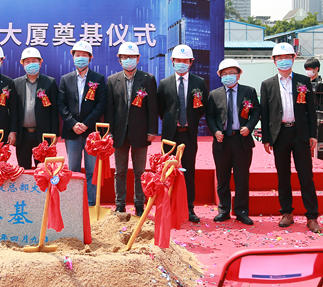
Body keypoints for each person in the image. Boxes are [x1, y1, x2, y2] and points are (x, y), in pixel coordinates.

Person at [261, 43, 320, 233]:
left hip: (300, 134)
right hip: (280, 135)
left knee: (306, 176)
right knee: (283, 176)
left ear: (294, 59)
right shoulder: (267, 84)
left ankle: (312, 216)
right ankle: (286, 212)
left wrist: (313, 135)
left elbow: (311, 110)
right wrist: (266, 139)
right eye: (279, 58)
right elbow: (265, 113)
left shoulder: (303, 81)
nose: (283, 61)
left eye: (287, 57)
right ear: (274, 61)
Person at [105, 42, 157, 216]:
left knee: (139, 172)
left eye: (132, 57)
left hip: (140, 133)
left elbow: (152, 107)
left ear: (138, 58)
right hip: (119, 134)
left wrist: (152, 130)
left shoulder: (147, 79)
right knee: (120, 171)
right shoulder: (112, 80)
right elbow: (109, 109)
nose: (128, 60)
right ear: (119, 59)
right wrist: (109, 132)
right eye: (125, 57)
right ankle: (120, 204)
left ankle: (139, 205)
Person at [205, 59, 260, 225]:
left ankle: (241, 211)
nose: (228, 76)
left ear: (239, 74)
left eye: (232, 73)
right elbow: (210, 116)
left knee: (242, 178)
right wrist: (215, 131)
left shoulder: (249, 91)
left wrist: (249, 127)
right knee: (222, 178)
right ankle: (224, 210)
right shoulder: (214, 94)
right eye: (225, 74)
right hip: (222, 141)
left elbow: (256, 112)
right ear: (220, 76)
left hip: (241, 140)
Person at [157, 44, 208, 223]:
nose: (181, 63)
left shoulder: (199, 83)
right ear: (172, 61)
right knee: (168, 171)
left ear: (191, 62)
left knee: (189, 171)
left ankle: (189, 208)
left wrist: (189, 120)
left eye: (185, 61)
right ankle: (168, 206)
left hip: (189, 134)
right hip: (170, 136)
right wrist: (172, 121)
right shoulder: (164, 83)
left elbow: (202, 107)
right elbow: (161, 108)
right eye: (178, 60)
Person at [57, 40, 106, 206]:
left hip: (91, 132)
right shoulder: (65, 79)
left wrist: (86, 124)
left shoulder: (98, 79)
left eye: (84, 55)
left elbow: (101, 104)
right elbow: (61, 104)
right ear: (73, 57)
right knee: (73, 170)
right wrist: (72, 123)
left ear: (90, 58)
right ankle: (74, 204)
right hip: (72, 132)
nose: (80, 58)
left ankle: (91, 203)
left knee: (92, 170)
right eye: (77, 55)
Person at [13, 47, 59, 169]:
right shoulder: (16, 83)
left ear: (40, 63)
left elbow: (54, 111)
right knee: (23, 170)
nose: (31, 64)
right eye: (27, 62)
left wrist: (54, 134)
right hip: (23, 135)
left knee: (43, 170)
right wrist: (13, 132)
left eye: (34, 61)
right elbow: (13, 111)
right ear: (23, 64)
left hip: (43, 135)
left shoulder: (49, 82)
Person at [304, 58, 323, 159]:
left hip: (319, 116)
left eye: (309, 69)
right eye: (306, 69)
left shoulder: (320, 84)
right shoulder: (304, 83)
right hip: (307, 117)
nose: (308, 71)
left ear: (316, 69)